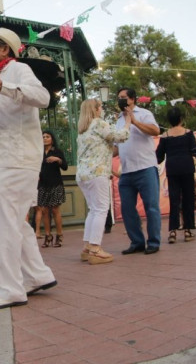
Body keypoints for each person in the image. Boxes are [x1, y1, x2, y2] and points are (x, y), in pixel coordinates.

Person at [0, 27, 57, 309]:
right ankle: (36, 275)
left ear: (5, 49)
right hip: (4, 159)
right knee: (15, 222)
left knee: (5, 225)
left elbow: (43, 97)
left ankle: (9, 289)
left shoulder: (18, 70)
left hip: (16, 158)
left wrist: (0, 87)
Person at [75, 99, 130, 265]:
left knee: (93, 210)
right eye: (100, 107)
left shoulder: (83, 129)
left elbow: (104, 146)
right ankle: (95, 248)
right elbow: (118, 136)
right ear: (96, 109)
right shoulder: (98, 123)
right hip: (97, 173)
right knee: (100, 210)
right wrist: (127, 123)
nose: (102, 109)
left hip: (83, 174)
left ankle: (87, 247)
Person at [114, 87, 162, 255]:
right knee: (127, 209)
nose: (121, 100)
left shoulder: (144, 114)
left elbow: (156, 131)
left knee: (151, 207)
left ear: (133, 99)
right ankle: (137, 242)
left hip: (146, 167)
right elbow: (116, 146)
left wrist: (134, 121)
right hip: (126, 171)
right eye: (118, 97)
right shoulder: (118, 119)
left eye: (124, 97)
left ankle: (154, 242)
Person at [155, 107, 196, 244]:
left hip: (173, 169)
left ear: (169, 120)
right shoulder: (188, 133)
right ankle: (188, 231)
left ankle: (172, 232)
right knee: (188, 199)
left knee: (174, 200)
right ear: (181, 119)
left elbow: (159, 156)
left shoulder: (165, 136)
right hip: (187, 167)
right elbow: (195, 151)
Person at [36, 130, 68, 248]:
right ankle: (48, 235)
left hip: (55, 184)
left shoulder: (57, 151)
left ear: (52, 139)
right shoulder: (39, 152)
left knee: (55, 210)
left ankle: (59, 235)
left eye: (47, 136)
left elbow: (65, 166)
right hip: (43, 184)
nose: (45, 138)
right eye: (43, 136)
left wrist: (57, 160)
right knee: (44, 210)